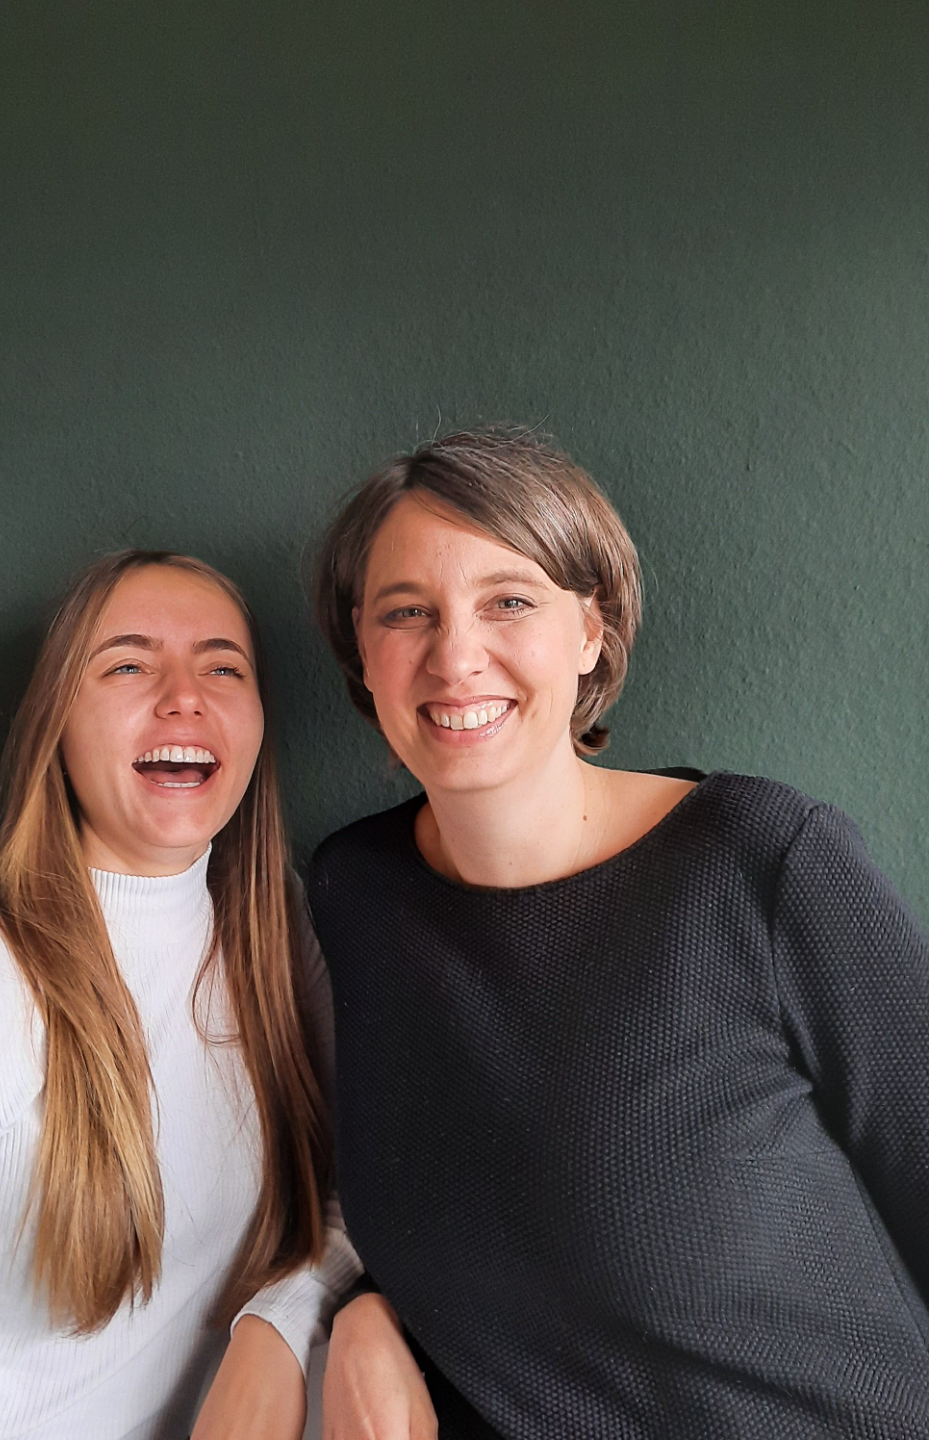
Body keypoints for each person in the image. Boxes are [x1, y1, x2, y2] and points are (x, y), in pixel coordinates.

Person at [308, 430, 929, 1439]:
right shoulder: (353, 895)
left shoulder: (760, 862)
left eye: (509, 602)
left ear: (590, 630)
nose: (455, 656)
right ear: (361, 651)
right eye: (406, 611)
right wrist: (361, 1318)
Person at [0, 549, 359, 1440]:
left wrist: (281, 1323)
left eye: (222, 669)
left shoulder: (277, 932)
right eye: (127, 665)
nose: (184, 697)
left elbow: (369, 1194)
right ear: (55, 722)